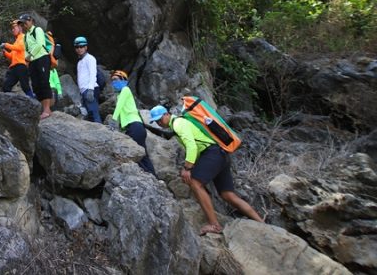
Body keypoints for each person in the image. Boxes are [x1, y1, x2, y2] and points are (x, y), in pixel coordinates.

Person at [149, 105, 264, 235]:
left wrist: (187, 168)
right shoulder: (180, 123)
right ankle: (261, 223)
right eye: (156, 121)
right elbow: (196, 147)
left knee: (195, 183)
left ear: (166, 114)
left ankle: (214, 225)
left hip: (212, 153)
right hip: (221, 154)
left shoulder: (178, 123)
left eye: (160, 119)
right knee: (228, 195)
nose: (159, 122)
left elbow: (191, 146)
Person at [110, 70, 155, 175]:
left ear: (123, 80)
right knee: (142, 155)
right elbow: (122, 113)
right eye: (112, 81)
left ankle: (149, 176)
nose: (114, 83)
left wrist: (113, 120)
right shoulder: (120, 94)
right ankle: (153, 176)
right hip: (134, 127)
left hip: (135, 126)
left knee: (137, 154)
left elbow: (119, 106)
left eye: (116, 80)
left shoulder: (125, 89)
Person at [18, 14, 53, 119]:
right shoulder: (26, 36)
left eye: (25, 22)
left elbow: (40, 44)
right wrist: (27, 60)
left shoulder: (37, 30)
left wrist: (30, 56)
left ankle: (47, 109)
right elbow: (26, 50)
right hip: (32, 61)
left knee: (44, 82)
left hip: (42, 58)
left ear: (31, 21)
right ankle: (43, 109)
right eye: (22, 23)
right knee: (36, 85)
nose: (24, 25)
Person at [0, 20, 34, 97]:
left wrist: (6, 45)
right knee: (6, 86)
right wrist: (5, 52)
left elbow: (20, 47)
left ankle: (33, 100)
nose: (13, 30)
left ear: (20, 28)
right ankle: (8, 103)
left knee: (25, 86)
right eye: (12, 28)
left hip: (21, 66)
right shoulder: (16, 41)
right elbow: (12, 56)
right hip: (14, 67)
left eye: (14, 27)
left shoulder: (24, 37)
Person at [74, 36, 101, 123]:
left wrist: (90, 90)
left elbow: (93, 74)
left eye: (81, 46)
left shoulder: (90, 58)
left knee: (94, 113)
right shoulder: (79, 62)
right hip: (83, 91)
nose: (79, 49)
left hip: (90, 89)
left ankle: (102, 134)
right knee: (89, 114)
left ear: (86, 47)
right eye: (77, 47)